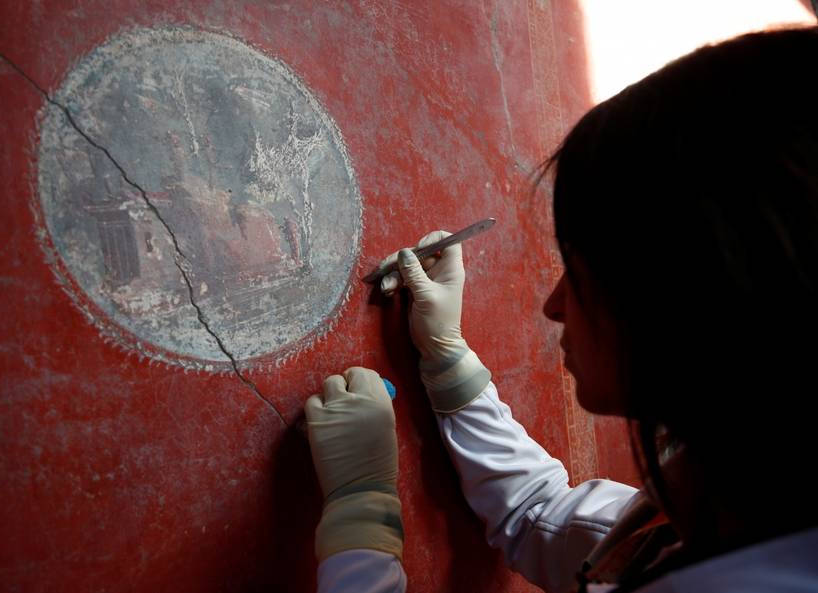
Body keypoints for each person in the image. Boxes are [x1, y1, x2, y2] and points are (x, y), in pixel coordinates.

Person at [304, 27, 818, 593]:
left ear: (689, 309)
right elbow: (544, 520)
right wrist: (448, 360)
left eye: (583, 272)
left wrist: (361, 521)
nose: (553, 306)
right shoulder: (749, 487)